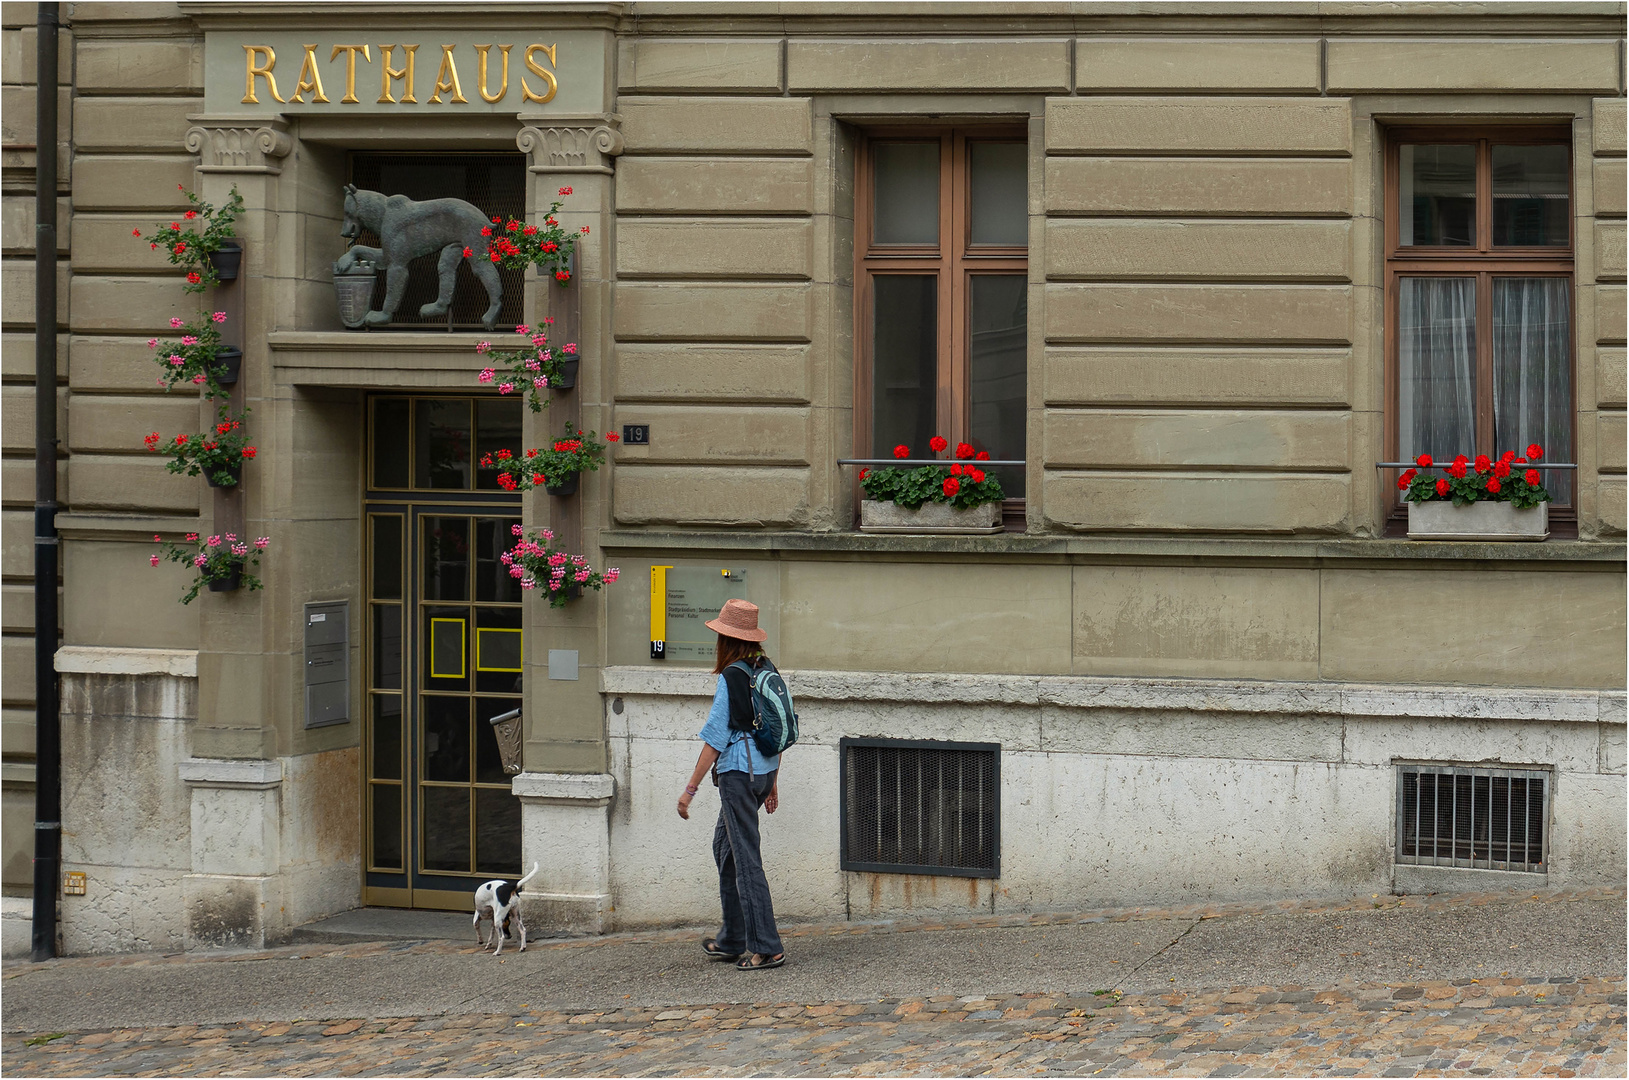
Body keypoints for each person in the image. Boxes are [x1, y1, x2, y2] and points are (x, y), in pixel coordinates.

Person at [676, 598, 786, 971]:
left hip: (739, 776)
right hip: (761, 773)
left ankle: (767, 947)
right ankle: (732, 939)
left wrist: (689, 791)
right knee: (725, 848)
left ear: (727, 639)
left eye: (720, 636)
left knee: (745, 860)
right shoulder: (766, 668)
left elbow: (714, 739)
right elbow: (779, 728)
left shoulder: (733, 676)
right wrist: (772, 782)